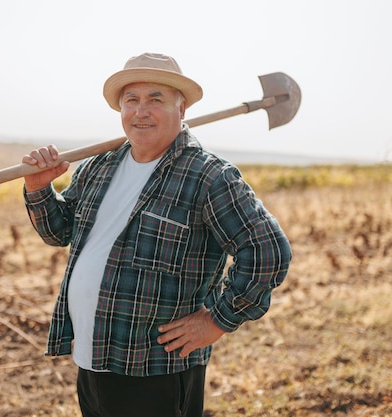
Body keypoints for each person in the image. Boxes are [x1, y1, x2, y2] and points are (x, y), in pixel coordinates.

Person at [21, 52, 292, 417]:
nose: (141, 111)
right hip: (91, 357)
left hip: (155, 368)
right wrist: (39, 189)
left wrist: (217, 320)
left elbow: (267, 251)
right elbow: (61, 231)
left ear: (182, 109)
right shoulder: (99, 168)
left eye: (156, 99)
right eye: (131, 100)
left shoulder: (208, 176)